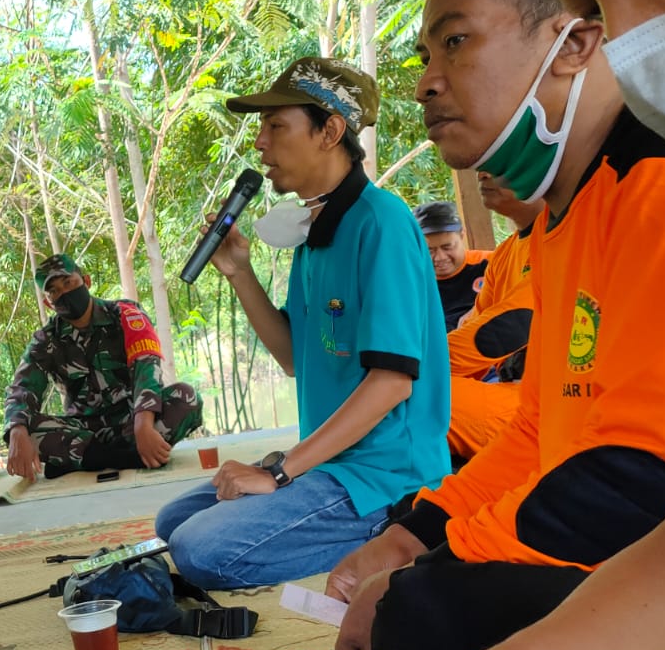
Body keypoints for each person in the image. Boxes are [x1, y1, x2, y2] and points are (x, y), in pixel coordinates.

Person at [347, 0, 665, 650]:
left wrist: (446, 559)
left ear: (573, 45)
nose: (426, 80)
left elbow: (642, 480)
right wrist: (421, 535)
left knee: (427, 610)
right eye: (425, 53)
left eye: (456, 42)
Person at [154, 57, 451, 590]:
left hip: (384, 476)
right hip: (329, 462)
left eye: (276, 126)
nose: (261, 143)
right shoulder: (315, 234)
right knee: (172, 523)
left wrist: (280, 470)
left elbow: (392, 381)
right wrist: (240, 272)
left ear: (330, 130)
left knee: (202, 548)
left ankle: (394, 532)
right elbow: (296, 357)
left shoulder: (380, 222)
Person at [3, 254, 203, 481]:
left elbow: (146, 366)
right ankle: (127, 457)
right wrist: (17, 430)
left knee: (187, 397)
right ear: (49, 303)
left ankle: (84, 462)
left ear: (86, 281)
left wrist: (143, 423)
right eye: (55, 291)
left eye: (69, 283)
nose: (64, 293)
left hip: (133, 421)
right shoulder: (46, 340)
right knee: (27, 429)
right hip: (84, 433)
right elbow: (22, 388)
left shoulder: (125, 314)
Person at [445, 173, 543, 462]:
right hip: (509, 390)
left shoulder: (562, 237)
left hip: (552, 403)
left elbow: (507, 328)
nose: (482, 172)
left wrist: (409, 367)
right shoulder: (504, 254)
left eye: (499, 158)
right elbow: (476, 324)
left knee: (410, 396)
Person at [417, 201, 490, 331]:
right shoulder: (410, 281)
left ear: (462, 235)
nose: (440, 257)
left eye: (447, 247)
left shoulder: (493, 264)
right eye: (430, 250)